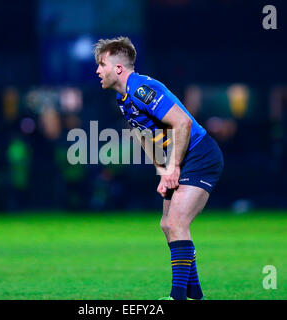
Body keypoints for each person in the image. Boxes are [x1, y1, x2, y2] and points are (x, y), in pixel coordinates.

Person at [94, 37, 224, 300]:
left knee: (177, 222)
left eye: (102, 64)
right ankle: (196, 295)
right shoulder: (124, 99)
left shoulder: (142, 88)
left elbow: (183, 124)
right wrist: (163, 171)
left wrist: (173, 166)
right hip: (178, 158)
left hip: (199, 155)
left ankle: (177, 298)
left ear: (119, 68)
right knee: (167, 225)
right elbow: (146, 137)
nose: (98, 70)